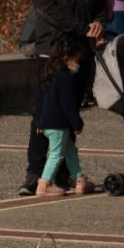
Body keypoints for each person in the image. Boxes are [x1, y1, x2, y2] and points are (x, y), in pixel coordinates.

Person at [21, 0, 106, 196]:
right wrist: (80, 27)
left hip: (81, 51)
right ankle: (35, 173)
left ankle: (65, 173)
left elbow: (100, 2)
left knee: (71, 110)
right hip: (53, 50)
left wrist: (98, 22)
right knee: (45, 112)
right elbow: (46, 8)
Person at [32, 40, 94, 196]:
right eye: (76, 60)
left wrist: (38, 121)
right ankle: (44, 184)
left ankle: (79, 179)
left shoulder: (48, 75)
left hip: (46, 122)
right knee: (56, 154)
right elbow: (68, 104)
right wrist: (77, 124)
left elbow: (40, 100)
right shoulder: (66, 77)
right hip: (58, 124)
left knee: (70, 151)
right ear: (66, 59)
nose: (77, 64)